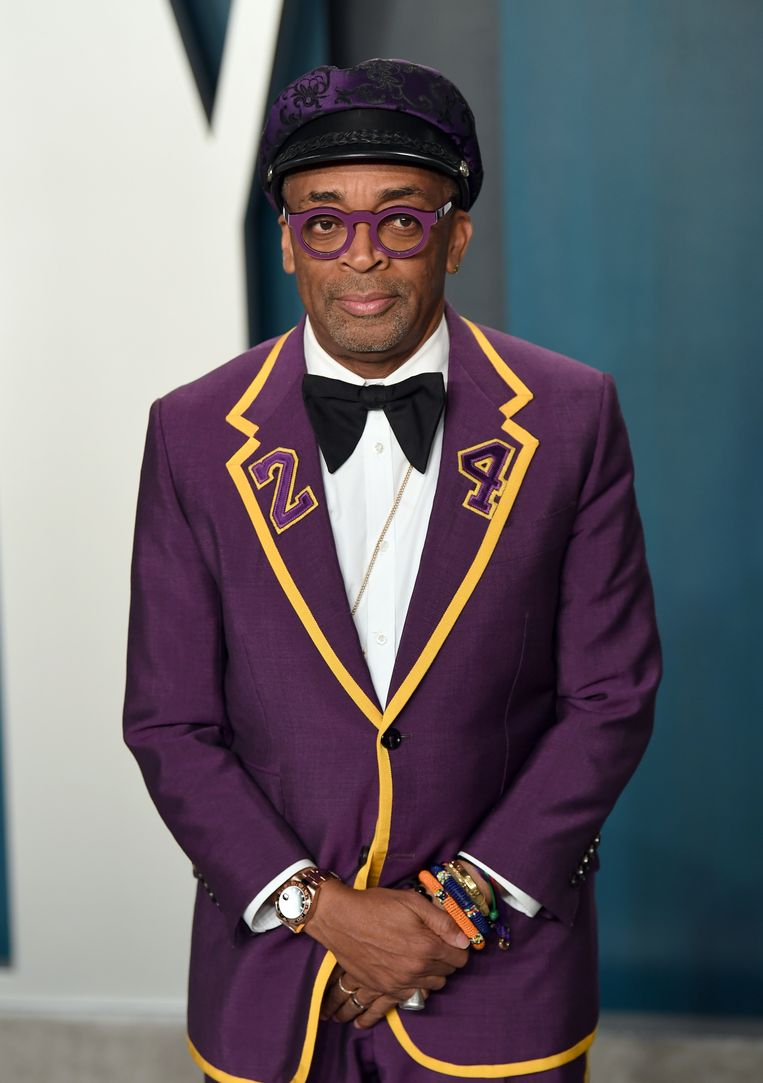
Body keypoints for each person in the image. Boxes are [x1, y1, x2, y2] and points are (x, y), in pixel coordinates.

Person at [123, 58, 661, 1083]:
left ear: (454, 236)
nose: (361, 254)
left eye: (400, 220)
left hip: (499, 976)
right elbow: (168, 722)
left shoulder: (570, 415)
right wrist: (323, 910)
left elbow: (610, 698)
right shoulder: (191, 431)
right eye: (325, 220)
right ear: (288, 241)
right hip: (276, 974)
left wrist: (455, 913)